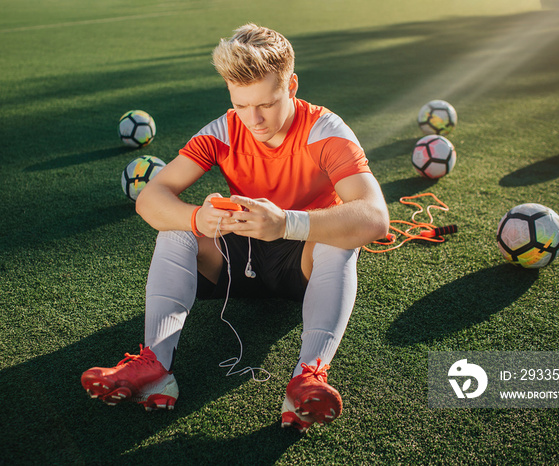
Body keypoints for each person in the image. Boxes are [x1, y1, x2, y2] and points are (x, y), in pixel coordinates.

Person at [81, 23, 389, 433]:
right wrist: (196, 218)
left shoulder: (325, 131)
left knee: (339, 243)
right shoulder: (224, 130)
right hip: (236, 263)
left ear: (291, 85)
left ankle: (308, 379)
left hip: (305, 264)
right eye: (241, 105)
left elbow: (374, 216)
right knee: (175, 228)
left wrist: (287, 222)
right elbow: (151, 198)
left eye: (265, 103)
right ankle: (155, 366)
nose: (254, 120)